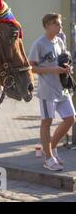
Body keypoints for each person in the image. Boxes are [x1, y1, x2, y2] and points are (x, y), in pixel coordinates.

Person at [28, 13, 76, 171]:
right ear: (47, 25)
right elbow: (31, 67)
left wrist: (67, 67)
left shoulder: (60, 41)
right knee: (46, 122)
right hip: (47, 90)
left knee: (70, 119)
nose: (60, 26)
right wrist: (52, 70)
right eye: (56, 23)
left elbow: (64, 60)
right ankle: (48, 158)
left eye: (60, 23)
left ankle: (51, 149)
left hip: (62, 88)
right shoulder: (39, 44)